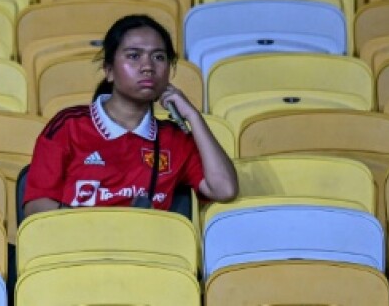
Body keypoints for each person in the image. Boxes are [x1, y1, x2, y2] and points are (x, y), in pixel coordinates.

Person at [23, 14, 237, 214]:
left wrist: (193, 116)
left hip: (147, 251)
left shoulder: (175, 140)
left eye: (159, 57)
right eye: (134, 56)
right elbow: (36, 205)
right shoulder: (68, 126)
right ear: (108, 70)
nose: (147, 67)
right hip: (77, 250)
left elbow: (224, 189)